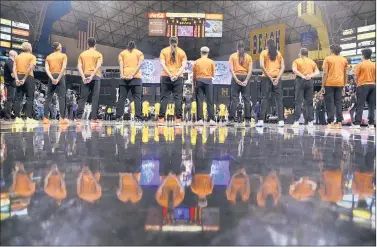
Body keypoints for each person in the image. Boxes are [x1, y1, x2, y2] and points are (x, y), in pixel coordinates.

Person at [158, 36, 187, 126]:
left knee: (164, 98)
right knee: (178, 98)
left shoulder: (163, 51)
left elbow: (162, 64)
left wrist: (170, 75)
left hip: (166, 77)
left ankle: (161, 120)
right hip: (178, 78)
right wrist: (176, 75)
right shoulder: (182, 52)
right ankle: (178, 120)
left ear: (169, 42)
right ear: (177, 42)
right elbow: (183, 66)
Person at [258, 39, 285, 128]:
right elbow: (283, 67)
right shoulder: (279, 53)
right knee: (279, 100)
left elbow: (261, 66)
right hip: (277, 79)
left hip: (266, 78)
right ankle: (281, 121)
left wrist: (270, 77)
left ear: (266, 44)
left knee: (264, 98)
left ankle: (261, 121)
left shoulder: (264, 53)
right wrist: (277, 78)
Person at [75, 37, 103, 125]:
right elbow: (98, 66)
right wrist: (92, 76)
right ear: (95, 44)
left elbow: (79, 67)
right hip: (95, 77)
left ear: (87, 44)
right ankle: (93, 118)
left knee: (83, 97)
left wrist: (83, 77)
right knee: (95, 98)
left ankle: (78, 118)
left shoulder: (82, 54)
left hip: (85, 76)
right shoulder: (98, 54)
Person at [320, 44, 348, 129]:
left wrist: (322, 86)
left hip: (329, 83)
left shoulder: (327, 59)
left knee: (329, 103)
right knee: (338, 103)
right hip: (340, 84)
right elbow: (345, 74)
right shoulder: (344, 60)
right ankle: (339, 122)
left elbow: (325, 73)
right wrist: (344, 85)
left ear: (331, 50)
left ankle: (331, 121)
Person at [116, 41, 144, 123]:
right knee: (137, 98)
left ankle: (118, 117)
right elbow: (140, 65)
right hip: (136, 78)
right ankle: (138, 117)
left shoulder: (122, 53)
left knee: (122, 98)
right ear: (135, 46)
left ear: (127, 46)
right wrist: (133, 74)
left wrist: (122, 74)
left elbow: (121, 64)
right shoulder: (140, 53)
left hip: (124, 78)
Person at [291, 48, 319, 128]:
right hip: (310, 81)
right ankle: (310, 122)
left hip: (300, 81)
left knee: (298, 102)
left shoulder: (296, 61)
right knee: (309, 102)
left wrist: (302, 76)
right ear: (307, 54)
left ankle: (296, 121)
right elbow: (317, 71)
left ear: (300, 53)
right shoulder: (312, 62)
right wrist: (310, 76)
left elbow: (294, 70)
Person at [42, 42, 69, 125]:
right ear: (59, 47)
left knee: (48, 97)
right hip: (60, 77)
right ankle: (62, 118)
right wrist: (58, 78)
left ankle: (45, 118)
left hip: (51, 76)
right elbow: (64, 67)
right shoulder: (63, 56)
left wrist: (52, 78)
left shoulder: (48, 57)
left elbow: (46, 69)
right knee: (61, 97)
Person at [228, 41, 253, 126]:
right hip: (245, 76)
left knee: (234, 99)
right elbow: (250, 71)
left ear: (236, 47)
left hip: (236, 77)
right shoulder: (249, 57)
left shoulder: (232, 56)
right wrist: (246, 80)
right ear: (244, 47)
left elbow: (231, 70)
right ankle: (248, 120)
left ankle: (231, 120)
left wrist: (236, 79)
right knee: (246, 100)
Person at [12, 42, 38, 125]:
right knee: (29, 97)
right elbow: (31, 68)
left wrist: (16, 79)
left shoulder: (17, 57)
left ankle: (17, 118)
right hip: (28, 77)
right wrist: (24, 78)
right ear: (29, 48)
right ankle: (28, 118)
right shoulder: (32, 56)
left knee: (18, 98)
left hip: (18, 76)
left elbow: (14, 69)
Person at [350, 48, 375, 129]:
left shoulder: (360, 64)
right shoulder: (374, 64)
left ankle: (357, 123)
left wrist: (358, 83)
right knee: (371, 105)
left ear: (363, 55)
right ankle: (371, 124)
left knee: (360, 105)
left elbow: (355, 76)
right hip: (373, 85)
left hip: (362, 85)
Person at [192, 46, 216, 125]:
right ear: (208, 53)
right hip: (208, 81)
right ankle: (212, 119)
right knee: (210, 100)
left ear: (201, 53)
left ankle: (200, 120)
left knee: (199, 100)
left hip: (199, 81)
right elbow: (213, 74)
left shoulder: (196, 62)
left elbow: (194, 75)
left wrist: (194, 83)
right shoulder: (211, 62)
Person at [2, 50, 17, 121]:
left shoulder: (10, 62)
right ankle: (7, 116)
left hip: (11, 84)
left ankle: (9, 115)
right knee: (9, 100)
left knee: (11, 100)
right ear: (14, 55)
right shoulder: (10, 62)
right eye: (16, 55)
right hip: (10, 84)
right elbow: (13, 74)